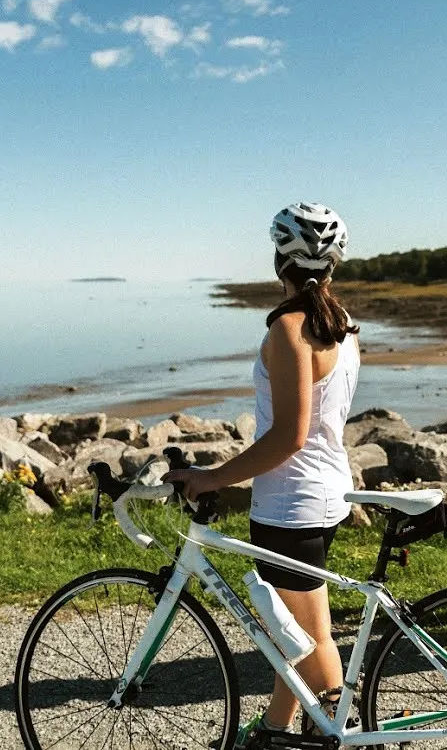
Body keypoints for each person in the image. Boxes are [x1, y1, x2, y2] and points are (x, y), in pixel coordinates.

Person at [165, 201, 360, 740]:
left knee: (308, 639)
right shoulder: (340, 325)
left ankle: (332, 730)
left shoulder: (290, 329)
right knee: (294, 632)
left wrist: (211, 478)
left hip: (290, 505)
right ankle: (281, 729)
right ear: (335, 263)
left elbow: (289, 436)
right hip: (325, 495)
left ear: (279, 260)